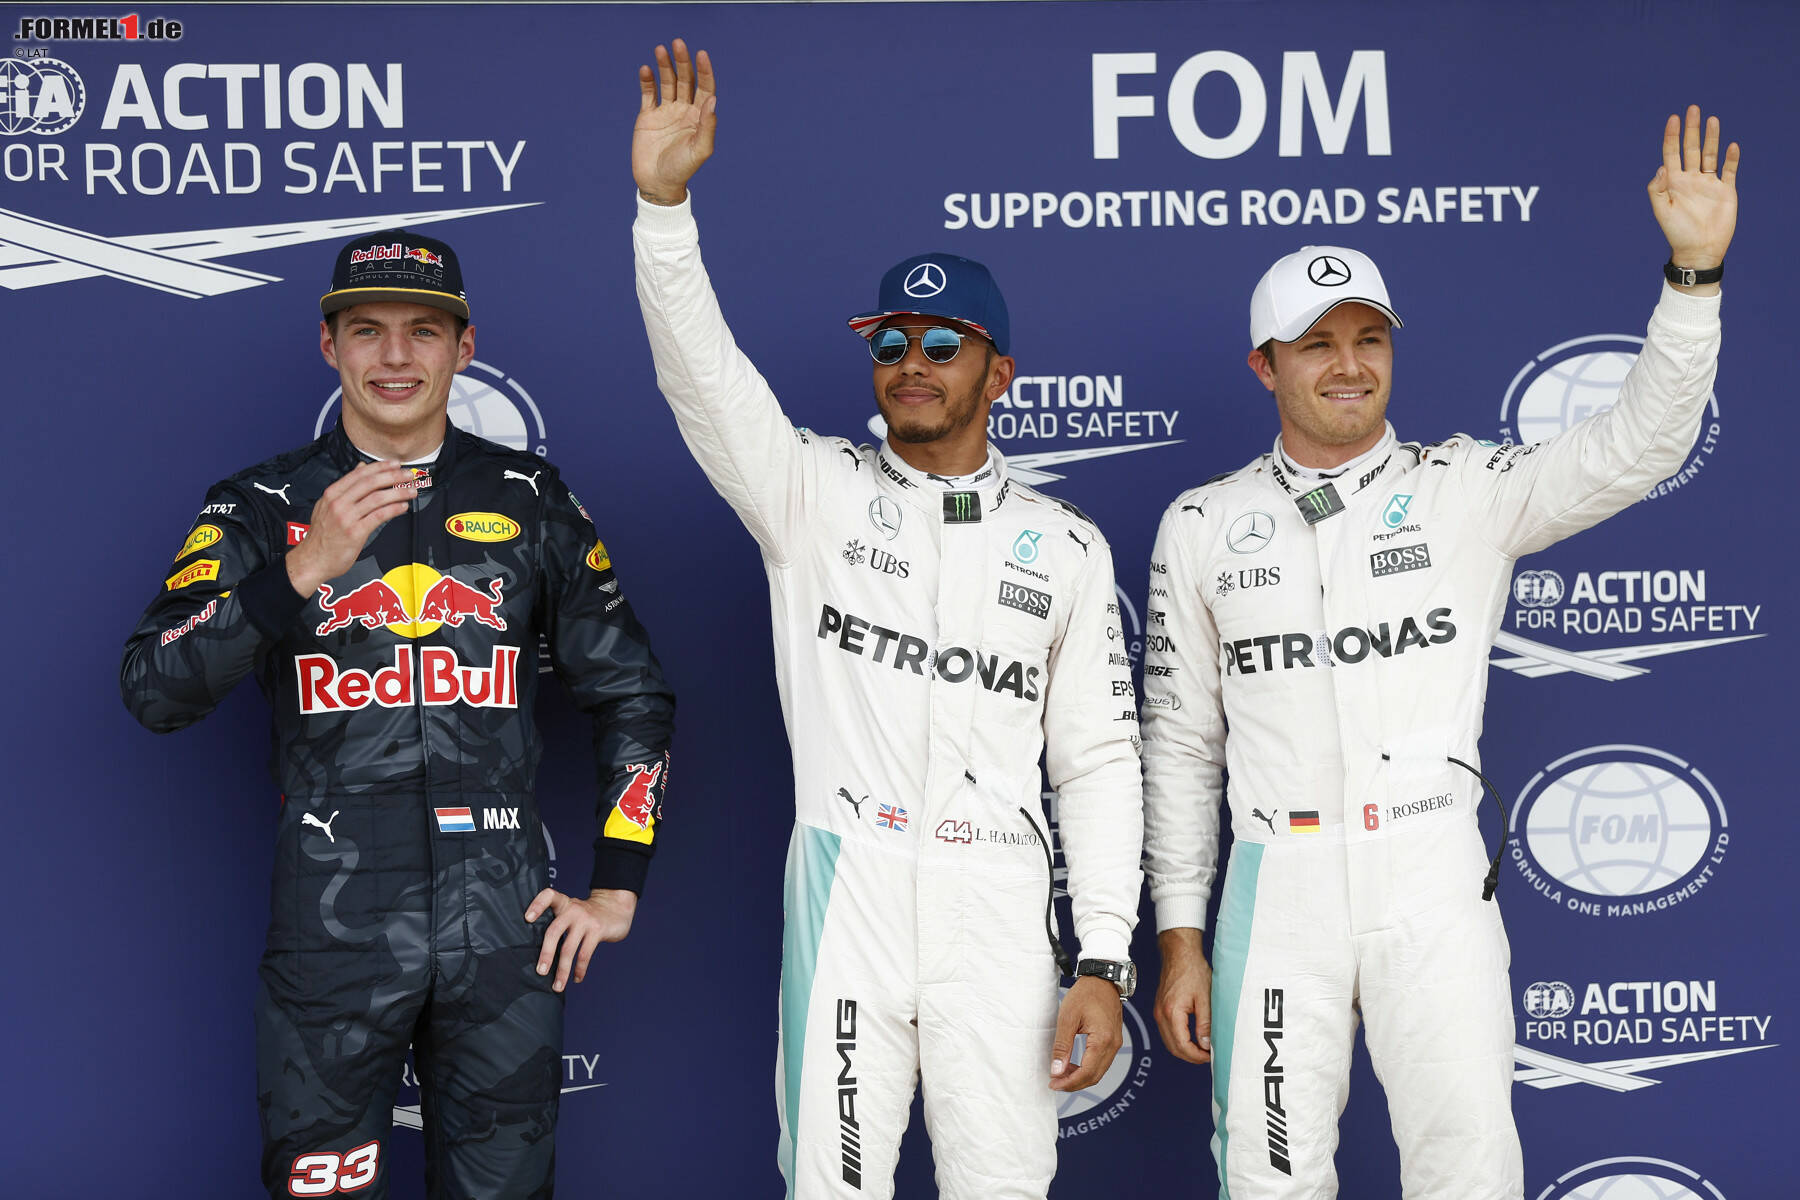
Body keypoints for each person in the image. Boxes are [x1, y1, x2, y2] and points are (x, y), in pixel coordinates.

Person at [1140, 106, 1739, 1199]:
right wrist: (1180, 935)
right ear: (1265, 365)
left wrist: (1692, 279)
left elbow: (1644, 442)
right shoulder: (1201, 523)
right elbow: (1180, 749)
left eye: (1369, 339)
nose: (1349, 365)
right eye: (1318, 344)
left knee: (1467, 1171)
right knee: (1268, 1180)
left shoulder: (1465, 488)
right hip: (1277, 884)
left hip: (1429, 873)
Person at [630, 40, 1142, 1200]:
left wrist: (1105, 954)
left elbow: (1101, 762)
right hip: (847, 888)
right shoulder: (808, 494)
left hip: (998, 911)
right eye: (894, 343)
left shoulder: (1065, 546)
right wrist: (665, 214)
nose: (914, 363)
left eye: (944, 345)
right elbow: (700, 376)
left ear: (998, 374)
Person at [120, 228, 676, 1199]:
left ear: (464, 348)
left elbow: (632, 690)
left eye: (423, 331)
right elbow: (154, 689)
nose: (394, 355)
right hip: (333, 920)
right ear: (328, 344)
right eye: (366, 330)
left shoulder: (530, 498)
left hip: (504, 922)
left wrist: (618, 883)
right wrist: (301, 569)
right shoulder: (260, 505)